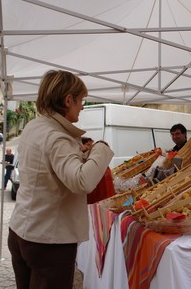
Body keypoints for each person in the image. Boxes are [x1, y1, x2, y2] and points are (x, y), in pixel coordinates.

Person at [8, 70, 114, 289]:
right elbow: (82, 181)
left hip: (22, 232)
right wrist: (101, 149)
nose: (82, 107)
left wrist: (79, 152)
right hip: (49, 242)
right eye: (81, 101)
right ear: (68, 100)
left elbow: (49, 167)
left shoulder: (34, 126)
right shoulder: (57, 137)